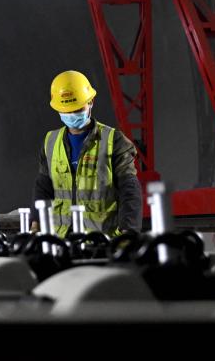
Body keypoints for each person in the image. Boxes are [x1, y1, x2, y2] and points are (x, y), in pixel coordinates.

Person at [34, 70, 142, 237]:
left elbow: (129, 190)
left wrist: (129, 231)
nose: (71, 114)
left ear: (91, 101)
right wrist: (36, 223)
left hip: (102, 242)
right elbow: (43, 188)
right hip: (61, 241)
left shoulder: (114, 141)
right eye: (66, 110)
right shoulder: (50, 142)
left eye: (77, 108)